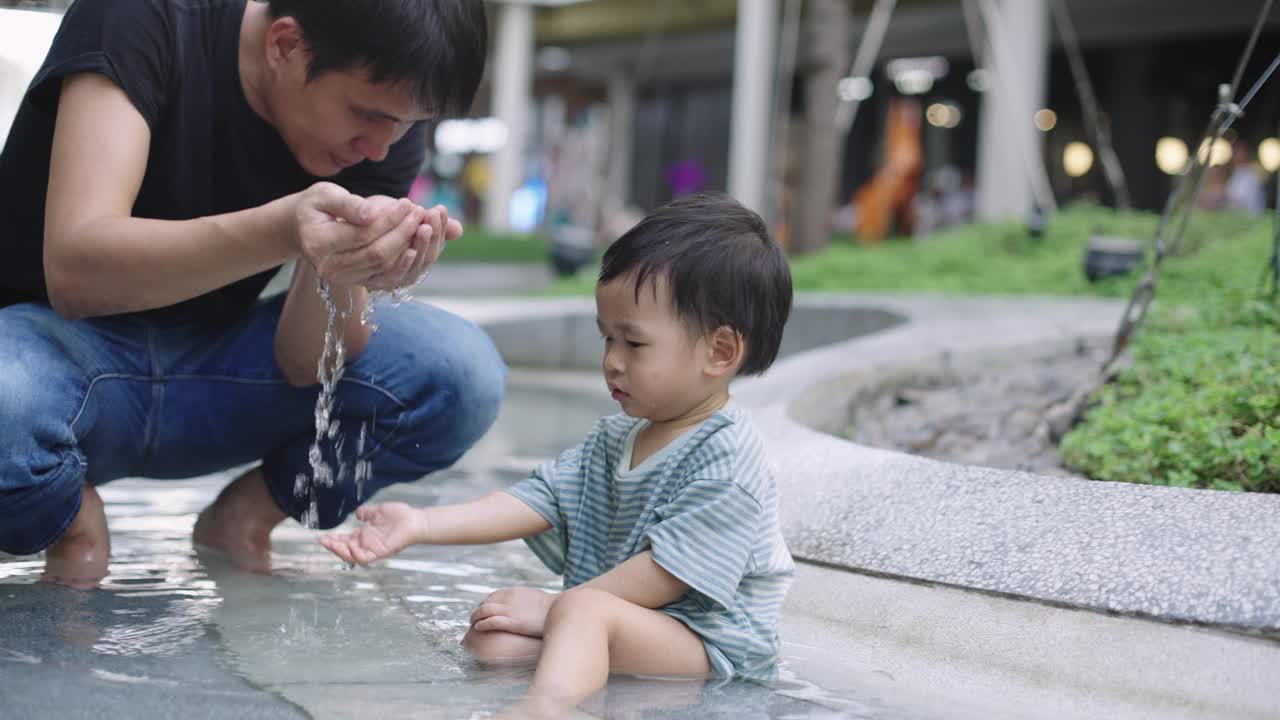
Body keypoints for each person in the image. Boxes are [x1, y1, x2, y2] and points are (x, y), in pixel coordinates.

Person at [0, 0, 505, 589]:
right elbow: (76, 272)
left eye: (406, 124)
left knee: (459, 375)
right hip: (49, 365)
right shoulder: (143, 19)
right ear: (285, 44)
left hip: (217, 371)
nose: (381, 150)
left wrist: (345, 267)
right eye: (366, 116)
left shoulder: (381, 129)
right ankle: (72, 526)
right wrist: (283, 229)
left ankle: (245, 518)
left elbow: (303, 364)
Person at [322, 194, 796, 716]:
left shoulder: (728, 458)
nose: (611, 362)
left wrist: (557, 607)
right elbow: (541, 498)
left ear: (721, 351)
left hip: (712, 647)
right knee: (495, 642)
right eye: (606, 338)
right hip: (628, 627)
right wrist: (420, 523)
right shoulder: (618, 437)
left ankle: (547, 710)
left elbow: (668, 573)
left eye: (634, 344)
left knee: (585, 609)